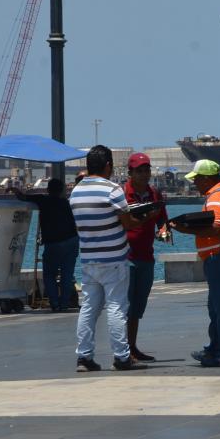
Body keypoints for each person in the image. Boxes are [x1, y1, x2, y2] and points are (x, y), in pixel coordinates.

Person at [70, 145, 152, 372]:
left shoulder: (75, 192)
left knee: (89, 308)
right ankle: (121, 356)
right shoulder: (112, 190)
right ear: (108, 166)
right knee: (117, 307)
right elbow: (127, 223)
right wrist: (144, 218)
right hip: (114, 259)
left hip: (88, 259)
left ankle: (84, 357)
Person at [172, 159, 220, 368]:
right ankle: (216, 348)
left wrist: (184, 229)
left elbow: (216, 227)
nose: (194, 184)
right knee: (216, 306)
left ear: (206, 178)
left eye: (196, 179)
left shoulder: (217, 197)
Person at [122, 153, 170, 362]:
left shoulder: (155, 194)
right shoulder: (121, 194)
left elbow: (163, 222)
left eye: (147, 170)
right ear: (130, 173)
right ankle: (122, 350)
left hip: (146, 257)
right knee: (124, 305)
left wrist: (164, 232)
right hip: (124, 257)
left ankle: (132, 346)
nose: (144, 175)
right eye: (139, 171)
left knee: (138, 306)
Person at [10, 177, 79, 312]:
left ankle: (54, 303)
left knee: (49, 274)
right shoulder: (66, 203)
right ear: (62, 190)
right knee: (67, 274)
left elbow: (23, 197)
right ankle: (64, 303)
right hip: (71, 241)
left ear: (48, 189)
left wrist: (14, 190)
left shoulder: (43, 200)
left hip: (53, 243)